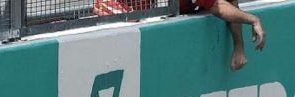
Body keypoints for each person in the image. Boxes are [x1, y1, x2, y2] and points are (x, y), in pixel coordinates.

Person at [94, 0, 265, 71]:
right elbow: (217, 7)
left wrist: (239, 47)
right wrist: (253, 20)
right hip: (117, 13)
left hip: (147, 16)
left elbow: (223, 4)